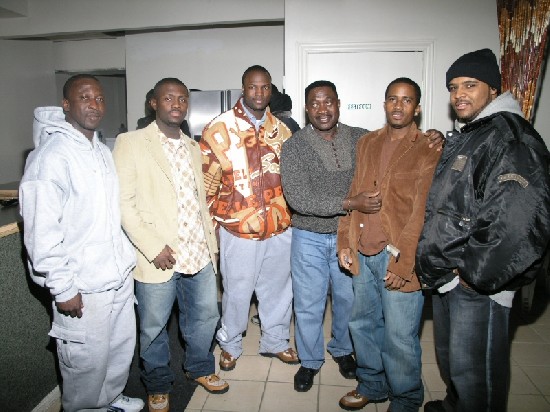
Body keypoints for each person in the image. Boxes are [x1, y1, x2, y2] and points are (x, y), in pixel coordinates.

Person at [416, 49, 550, 412]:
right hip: (452, 272)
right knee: (454, 362)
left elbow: (516, 221)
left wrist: (474, 276)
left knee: (477, 373)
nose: (459, 94)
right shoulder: (475, 133)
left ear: (492, 89)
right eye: (453, 86)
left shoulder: (511, 137)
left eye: (470, 85)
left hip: (478, 280)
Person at [19, 74, 144, 412]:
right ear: (66, 105)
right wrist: (62, 287)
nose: (94, 104)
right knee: (85, 361)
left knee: (117, 350)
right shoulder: (50, 158)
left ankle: (110, 399)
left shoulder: (100, 150)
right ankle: (85, 407)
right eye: (85, 97)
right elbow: (41, 234)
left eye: (100, 98)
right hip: (82, 284)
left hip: (116, 277)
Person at [113, 78, 228, 412]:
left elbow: (198, 199)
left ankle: (200, 368)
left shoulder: (193, 147)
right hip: (158, 256)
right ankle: (158, 384)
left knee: (206, 317)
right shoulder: (131, 142)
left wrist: (212, 242)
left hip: (199, 252)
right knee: (153, 327)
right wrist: (152, 246)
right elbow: (124, 203)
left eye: (182, 99)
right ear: (153, 103)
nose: (177, 104)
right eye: (168, 98)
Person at [336, 78, 441, 411]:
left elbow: (422, 211)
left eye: (407, 100)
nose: (398, 106)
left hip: (397, 256)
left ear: (417, 108)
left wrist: (404, 262)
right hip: (362, 249)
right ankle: (372, 383)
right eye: (393, 99)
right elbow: (354, 193)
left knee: (399, 336)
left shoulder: (428, 147)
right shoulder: (366, 142)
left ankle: (407, 399)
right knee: (362, 324)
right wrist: (344, 241)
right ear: (384, 104)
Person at [200, 65, 299, 372]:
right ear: (243, 89)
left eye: (265, 87)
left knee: (279, 289)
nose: (259, 93)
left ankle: (276, 341)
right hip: (237, 229)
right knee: (237, 291)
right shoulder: (219, 128)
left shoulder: (282, 131)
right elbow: (206, 185)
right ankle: (229, 344)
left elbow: (293, 179)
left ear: (271, 90)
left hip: (279, 227)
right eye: (253, 87)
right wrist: (218, 224)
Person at [280, 80, 365, 391]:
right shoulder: (294, 146)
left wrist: (429, 140)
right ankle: (310, 360)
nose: (322, 109)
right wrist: (348, 203)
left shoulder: (361, 138)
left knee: (347, 299)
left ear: (338, 103)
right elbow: (299, 199)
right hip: (309, 237)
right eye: (315, 104)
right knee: (308, 303)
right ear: (306, 108)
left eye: (328, 102)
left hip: (350, 235)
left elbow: (393, 150)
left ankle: (342, 349)